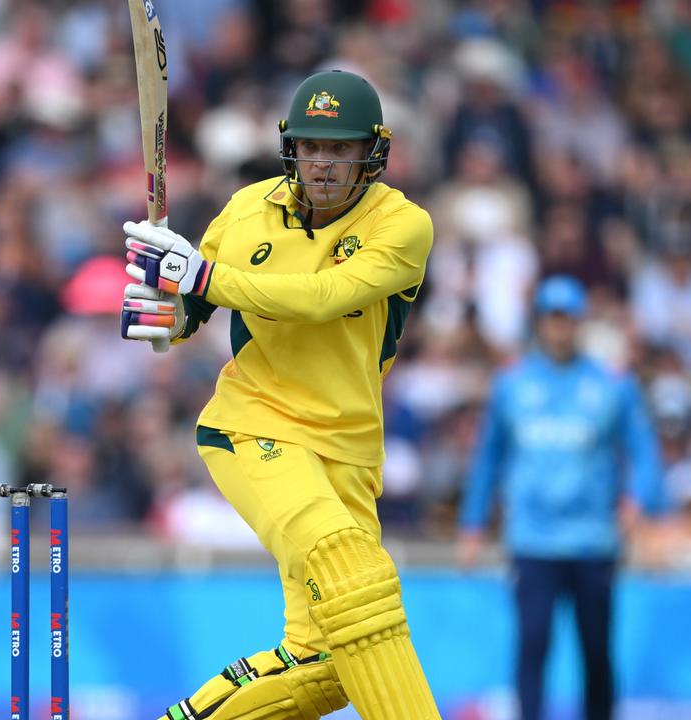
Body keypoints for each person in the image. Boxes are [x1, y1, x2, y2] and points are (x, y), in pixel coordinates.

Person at [116, 69, 441, 720]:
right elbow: (193, 312)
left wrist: (200, 276)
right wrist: (163, 316)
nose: (324, 165)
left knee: (326, 669)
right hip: (255, 427)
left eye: (341, 149)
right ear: (292, 148)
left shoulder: (404, 226)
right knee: (355, 573)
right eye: (314, 148)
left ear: (371, 154)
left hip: (347, 452)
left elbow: (324, 299)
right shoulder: (244, 212)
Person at [457, 275, 663, 720]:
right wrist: (472, 525)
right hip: (531, 538)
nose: (559, 329)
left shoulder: (611, 384)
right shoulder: (512, 384)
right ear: (539, 322)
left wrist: (636, 500)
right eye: (552, 319)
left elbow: (644, 452)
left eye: (568, 319)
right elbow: (488, 458)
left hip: (593, 538)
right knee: (532, 644)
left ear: (580, 323)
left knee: (596, 648)